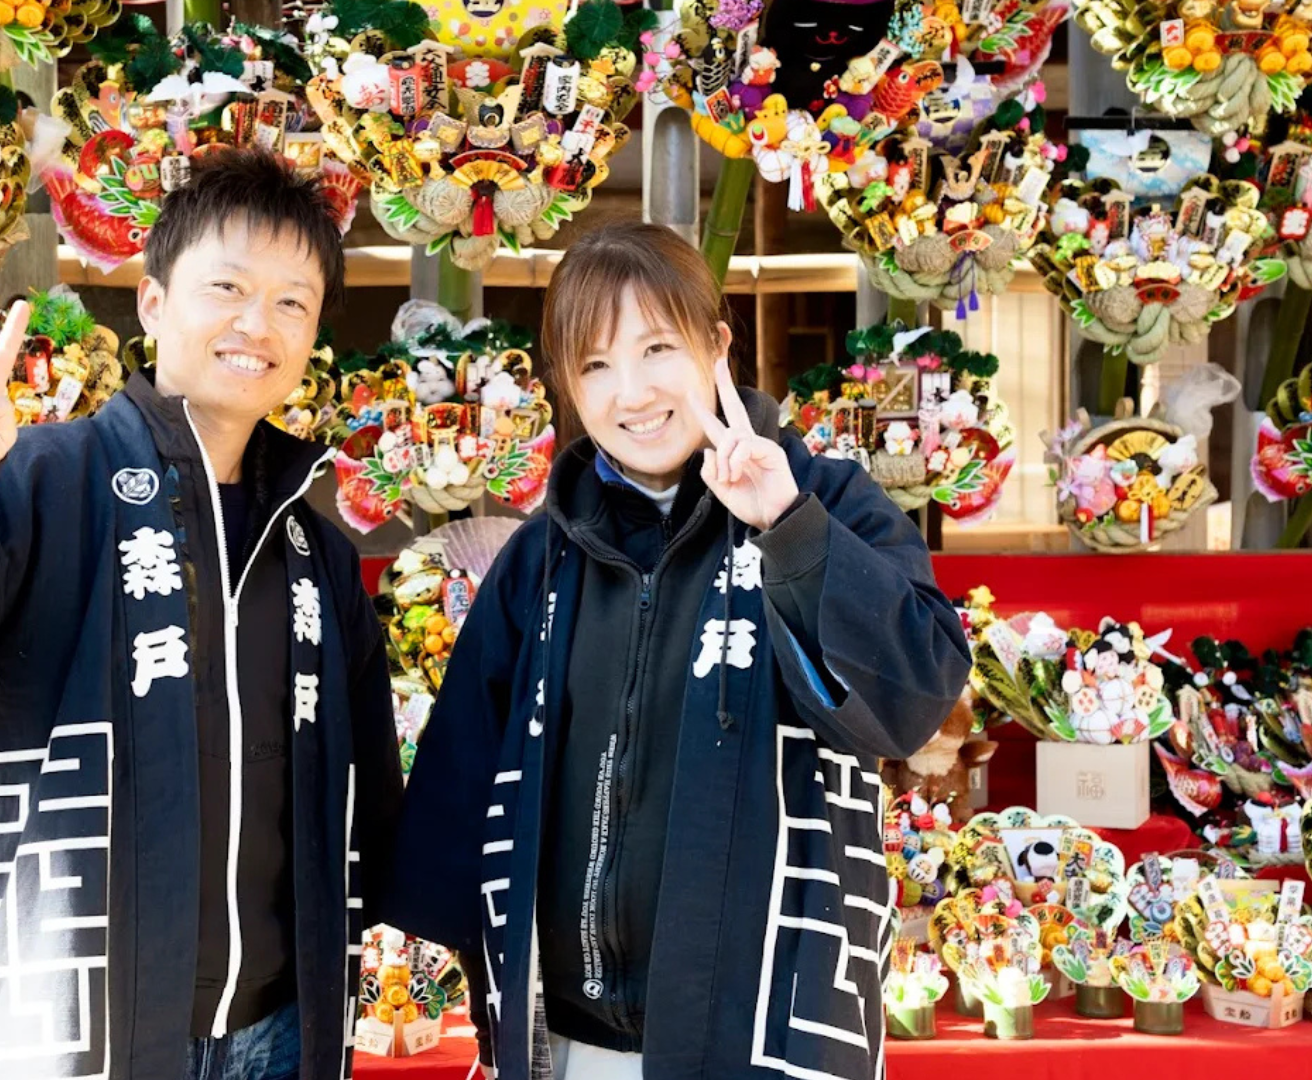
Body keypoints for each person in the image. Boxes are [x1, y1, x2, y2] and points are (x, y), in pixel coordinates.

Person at [0, 149, 403, 1080]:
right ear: (153, 303)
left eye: (292, 301)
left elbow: (372, 796)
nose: (256, 324)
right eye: (227, 288)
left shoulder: (316, 545)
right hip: (72, 1028)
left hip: (282, 1031)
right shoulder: (39, 482)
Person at [387, 221, 972, 1080]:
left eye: (657, 348)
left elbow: (915, 696)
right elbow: (462, 782)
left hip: (770, 1036)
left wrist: (788, 527)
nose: (631, 393)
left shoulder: (824, 500)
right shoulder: (542, 555)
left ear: (717, 347)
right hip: (571, 1040)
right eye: (594, 365)